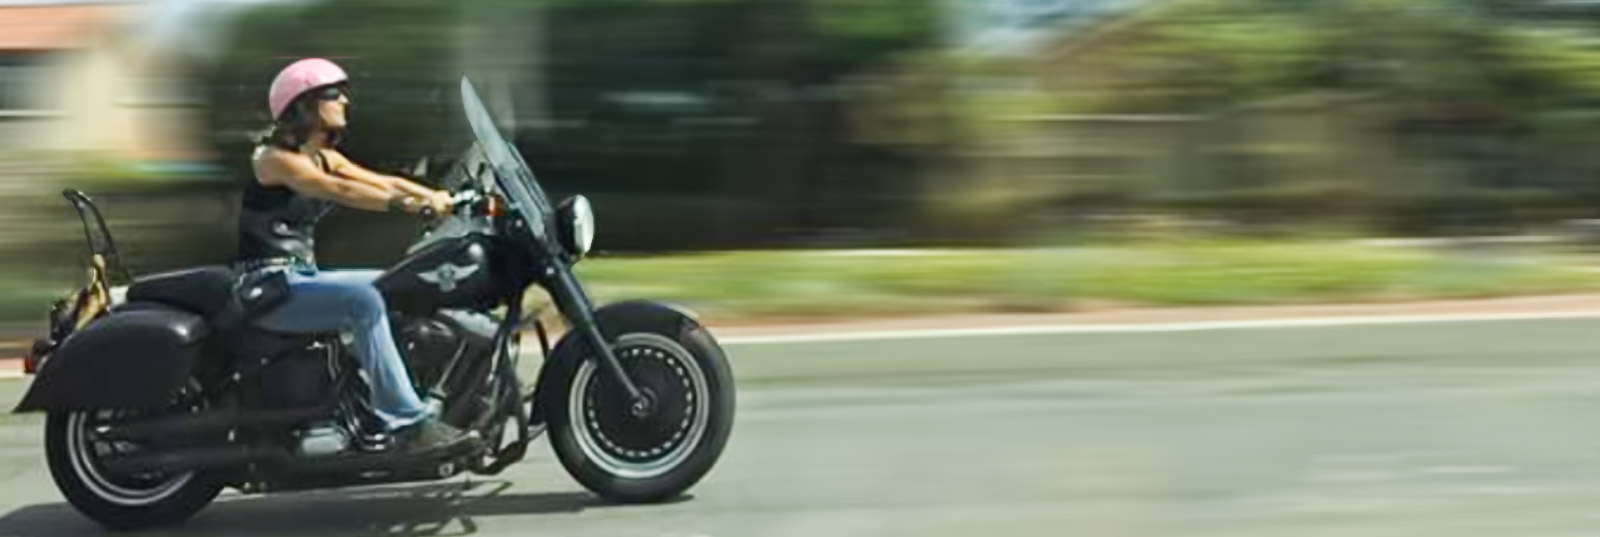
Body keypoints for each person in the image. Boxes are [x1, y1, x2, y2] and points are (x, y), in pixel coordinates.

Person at [238, 57, 478, 455]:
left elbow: (384, 181)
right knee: (362, 301)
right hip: (268, 285)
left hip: (302, 277)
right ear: (304, 105)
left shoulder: (324, 156)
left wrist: (443, 198)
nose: (345, 101)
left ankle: (374, 396)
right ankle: (407, 422)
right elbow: (339, 191)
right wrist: (414, 207)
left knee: (399, 284)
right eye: (334, 94)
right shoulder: (273, 160)